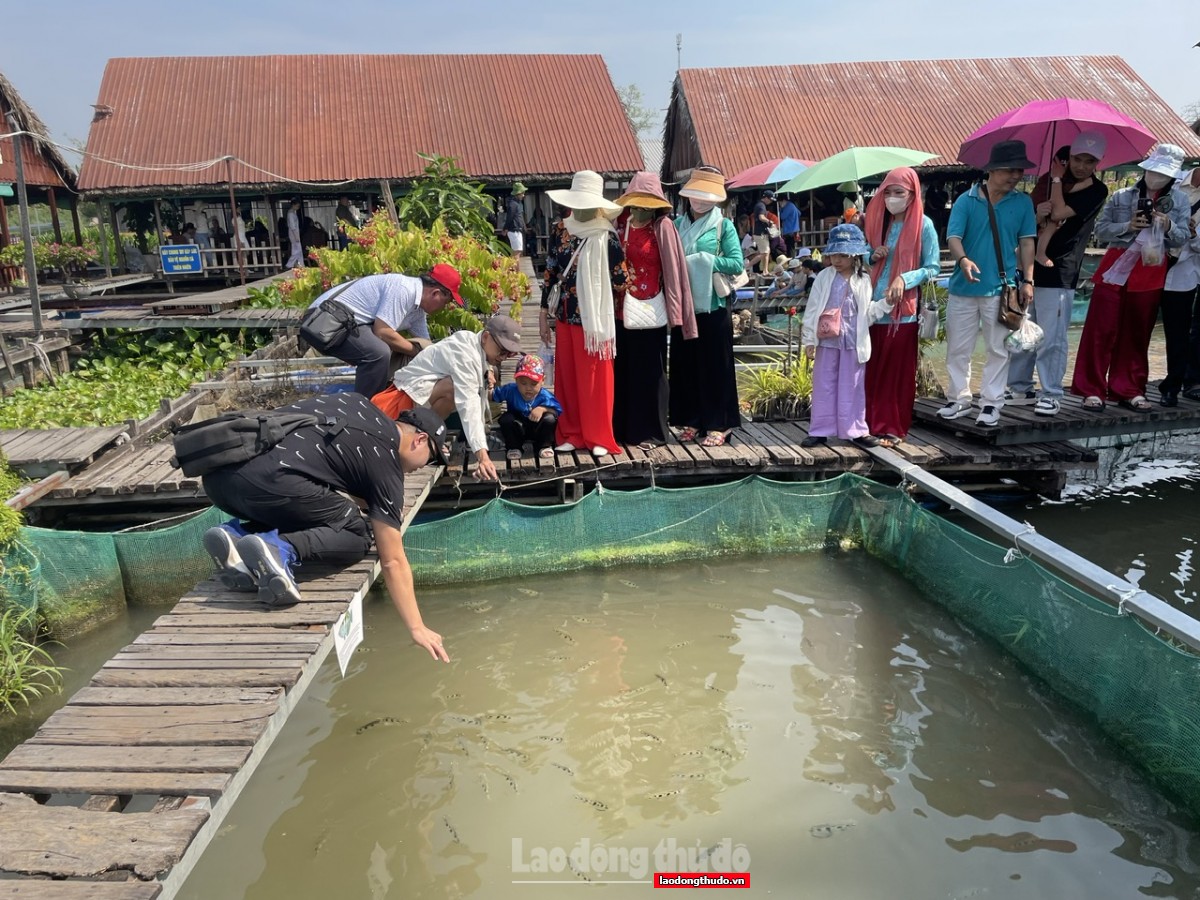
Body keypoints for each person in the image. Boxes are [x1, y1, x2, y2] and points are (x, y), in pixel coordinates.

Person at [200, 395, 451, 662]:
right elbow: (392, 561)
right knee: (357, 532)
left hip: (219, 478)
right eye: (431, 458)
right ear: (420, 440)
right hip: (266, 481)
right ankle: (280, 549)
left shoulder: (357, 405)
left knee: (311, 498)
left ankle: (238, 535)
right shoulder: (386, 460)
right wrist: (417, 627)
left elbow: (337, 463)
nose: (425, 466)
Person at [1072, 143, 1191, 412]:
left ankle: (1128, 388)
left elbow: (1182, 237)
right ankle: (1092, 389)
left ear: (1172, 176)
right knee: (1100, 330)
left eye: (1163, 174)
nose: (1156, 177)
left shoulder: (1180, 201)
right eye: (1153, 172)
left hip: (1149, 270)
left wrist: (1168, 224)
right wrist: (1129, 225)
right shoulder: (1122, 196)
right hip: (1115, 267)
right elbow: (1101, 231)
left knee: (1137, 333)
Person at [1006, 132, 1109, 417]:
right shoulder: (1049, 184)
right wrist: (1039, 212)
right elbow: (1033, 218)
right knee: (1024, 331)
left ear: (1097, 163)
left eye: (1089, 161)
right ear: (1068, 159)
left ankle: (1051, 392)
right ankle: (1019, 386)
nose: (1082, 166)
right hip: (1029, 269)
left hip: (1061, 269)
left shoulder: (1096, 190)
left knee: (1052, 337)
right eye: (1077, 159)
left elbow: (1061, 210)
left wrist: (1054, 180)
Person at [938, 140, 1037, 428]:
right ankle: (959, 398)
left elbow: (1027, 241)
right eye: (1010, 169)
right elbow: (953, 237)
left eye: (1019, 170)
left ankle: (992, 403)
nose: (1016, 175)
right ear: (992, 170)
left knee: (998, 348)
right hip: (962, 288)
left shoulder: (1022, 202)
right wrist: (963, 260)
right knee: (958, 347)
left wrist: (1028, 280)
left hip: (1001, 288)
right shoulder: (967, 200)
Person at [539, 170, 626, 457]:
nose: (581, 208)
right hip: (565, 315)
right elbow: (550, 272)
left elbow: (620, 279)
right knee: (568, 377)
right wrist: (543, 314)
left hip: (595, 320)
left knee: (595, 378)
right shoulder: (560, 228)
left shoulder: (607, 235)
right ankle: (572, 432)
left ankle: (598, 434)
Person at [374, 315, 524, 482]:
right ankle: (425, 441)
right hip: (397, 406)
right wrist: (483, 456)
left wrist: (486, 370)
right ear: (486, 337)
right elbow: (469, 404)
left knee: (460, 387)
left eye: (509, 354)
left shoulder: (475, 344)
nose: (503, 357)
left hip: (420, 402)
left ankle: (429, 438)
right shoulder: (464, 354)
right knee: (452, 389)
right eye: (502, 351)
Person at [612, 172, 697, 449]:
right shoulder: (620, 224)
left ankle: (652, 433)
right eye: (637, 203)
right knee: (623, 369)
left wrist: (677, 313)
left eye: (647, 204)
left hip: (651, 308)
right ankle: (623, 429)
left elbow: (675, 270)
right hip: (620, 309)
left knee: (652, 371)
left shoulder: (663, 226)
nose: (641, 209)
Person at [862, 167, 940, 445]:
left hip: (901, 312)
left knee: (896, 373)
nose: (893, 198)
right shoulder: (876, 224)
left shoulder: (923, 225)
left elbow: (932, 268)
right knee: (870, 369)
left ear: (912, 195)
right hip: (871, 308)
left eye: (900, 193)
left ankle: (892, 427)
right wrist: (872, 256)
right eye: (889, 192)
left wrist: (905, 279)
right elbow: (859, 262)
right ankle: (867, 424)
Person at [800, 224, 893, 448]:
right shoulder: (824, 277)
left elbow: (868, 313)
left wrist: (886, 304)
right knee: (824, 384)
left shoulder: (863, 279)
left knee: (853, 385)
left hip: (853, 340)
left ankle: (856, 429)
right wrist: (809, 340)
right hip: (827, 339)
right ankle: (820, 430)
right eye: (834, 255)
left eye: (843, 255)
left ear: (855, 256)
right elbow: (813, 309)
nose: (838, 260)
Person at [671, 166, 744, 447]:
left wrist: (704, 260)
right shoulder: (677, 225)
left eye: (706, 196)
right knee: (685, 364)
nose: (700, 201)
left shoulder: (723, 225)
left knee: (716, 366)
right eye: (695, 195)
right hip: (685, 303)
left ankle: (719, 424)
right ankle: (690, 420)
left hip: (713, 304)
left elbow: (736, 263)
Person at [306, 266, 464, 397]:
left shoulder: (417, 310)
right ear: (436, 293)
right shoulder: (404, 289)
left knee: (404, 352)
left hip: (343, 323)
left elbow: (427, 347)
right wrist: (414, 350)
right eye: (447, 302)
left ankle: (386, 401)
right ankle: (365, 410)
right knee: (378, 353)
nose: (444, 308)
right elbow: (383, 332)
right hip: (323, 319)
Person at [1160, 166, 1200, 405]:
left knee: (1179, 332)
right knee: (1136, 328)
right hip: (1150, 264)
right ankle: (1128, 384)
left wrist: (1192, 235)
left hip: (1184, 272)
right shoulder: (1169, 179)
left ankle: (1172, 386)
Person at [491, 353, 562, 461]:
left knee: (550, 419)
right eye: (523, 383)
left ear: (542, 381)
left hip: (537, 428)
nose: (528, 388)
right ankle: (514, 446)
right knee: (506, 419)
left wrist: (542, 409)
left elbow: (558, 410)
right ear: (516, 380)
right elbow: (493, 395)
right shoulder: (511, 390)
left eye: (533, 384)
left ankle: (544, 445)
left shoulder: (545, 395)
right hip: (519, 426)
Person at [751, 190, 775, 274]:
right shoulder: (761, 206)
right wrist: (769, 221)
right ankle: (746, 266)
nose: (771, 201)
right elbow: (761, 217)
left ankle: (765, 270)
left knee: (766, 252)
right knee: (764, 253)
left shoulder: (760, 205)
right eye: (770, 199)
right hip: (760, 233)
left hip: (760, 233)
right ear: (766, 198)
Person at [505, 183, 528, 261]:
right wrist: (505, 228)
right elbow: (509, 217)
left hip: (517, 230)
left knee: (516, 251)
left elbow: (520, 217)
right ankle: (516, 271)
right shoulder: (513, 204)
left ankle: (514, 269)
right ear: (518, 193)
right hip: (514, 230)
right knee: (517, 252)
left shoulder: (517, 204)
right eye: (522, 193)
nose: (523, 195)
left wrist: (524, 228)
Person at [284, 198, 303, 269]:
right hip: (293, 232)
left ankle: (300, 264)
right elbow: (292, 226)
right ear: (293, 205)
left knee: (298, 249)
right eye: (297, 206)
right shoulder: (290, 214)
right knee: (296, 249)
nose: (298, 208)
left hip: (295, 232)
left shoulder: (293, 212)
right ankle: (289, 264)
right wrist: (296, 236)